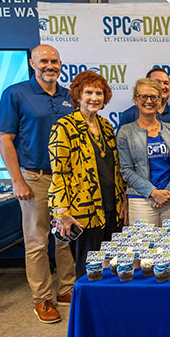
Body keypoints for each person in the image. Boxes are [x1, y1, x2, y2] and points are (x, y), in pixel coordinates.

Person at [0, 44, 76, 323]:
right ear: (32, 63)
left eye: (54, 61)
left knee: (65, 237)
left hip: (66, 180)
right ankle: (42, 298)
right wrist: (17, 181)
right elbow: (4, 138)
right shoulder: (16, 93)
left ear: (61, 64)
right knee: (37, 241)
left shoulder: (68, 97)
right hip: (34, 177)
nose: (49, 65)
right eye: (43, 61)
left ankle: (66, 289)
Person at [49, 71, 127, 278]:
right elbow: (59, 173)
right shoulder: (64, 127)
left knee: (114, 265)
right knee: (89, 269)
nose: (94, 98)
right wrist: (61, 213)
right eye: (89, 92)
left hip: (112, 207)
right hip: (84, 211)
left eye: (99, 93)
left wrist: (124, 200)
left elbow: (116, 168)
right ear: (77, 96)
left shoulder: (106, 126)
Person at [117, 79, 170, 227]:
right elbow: (126, 170)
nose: (148, 101)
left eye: (154, 97)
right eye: (143, 96)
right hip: (141, 199)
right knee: (143, 248)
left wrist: (166, 193)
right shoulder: (125, 132)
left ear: (160, 100)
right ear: (136, 100)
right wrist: (153, 193)